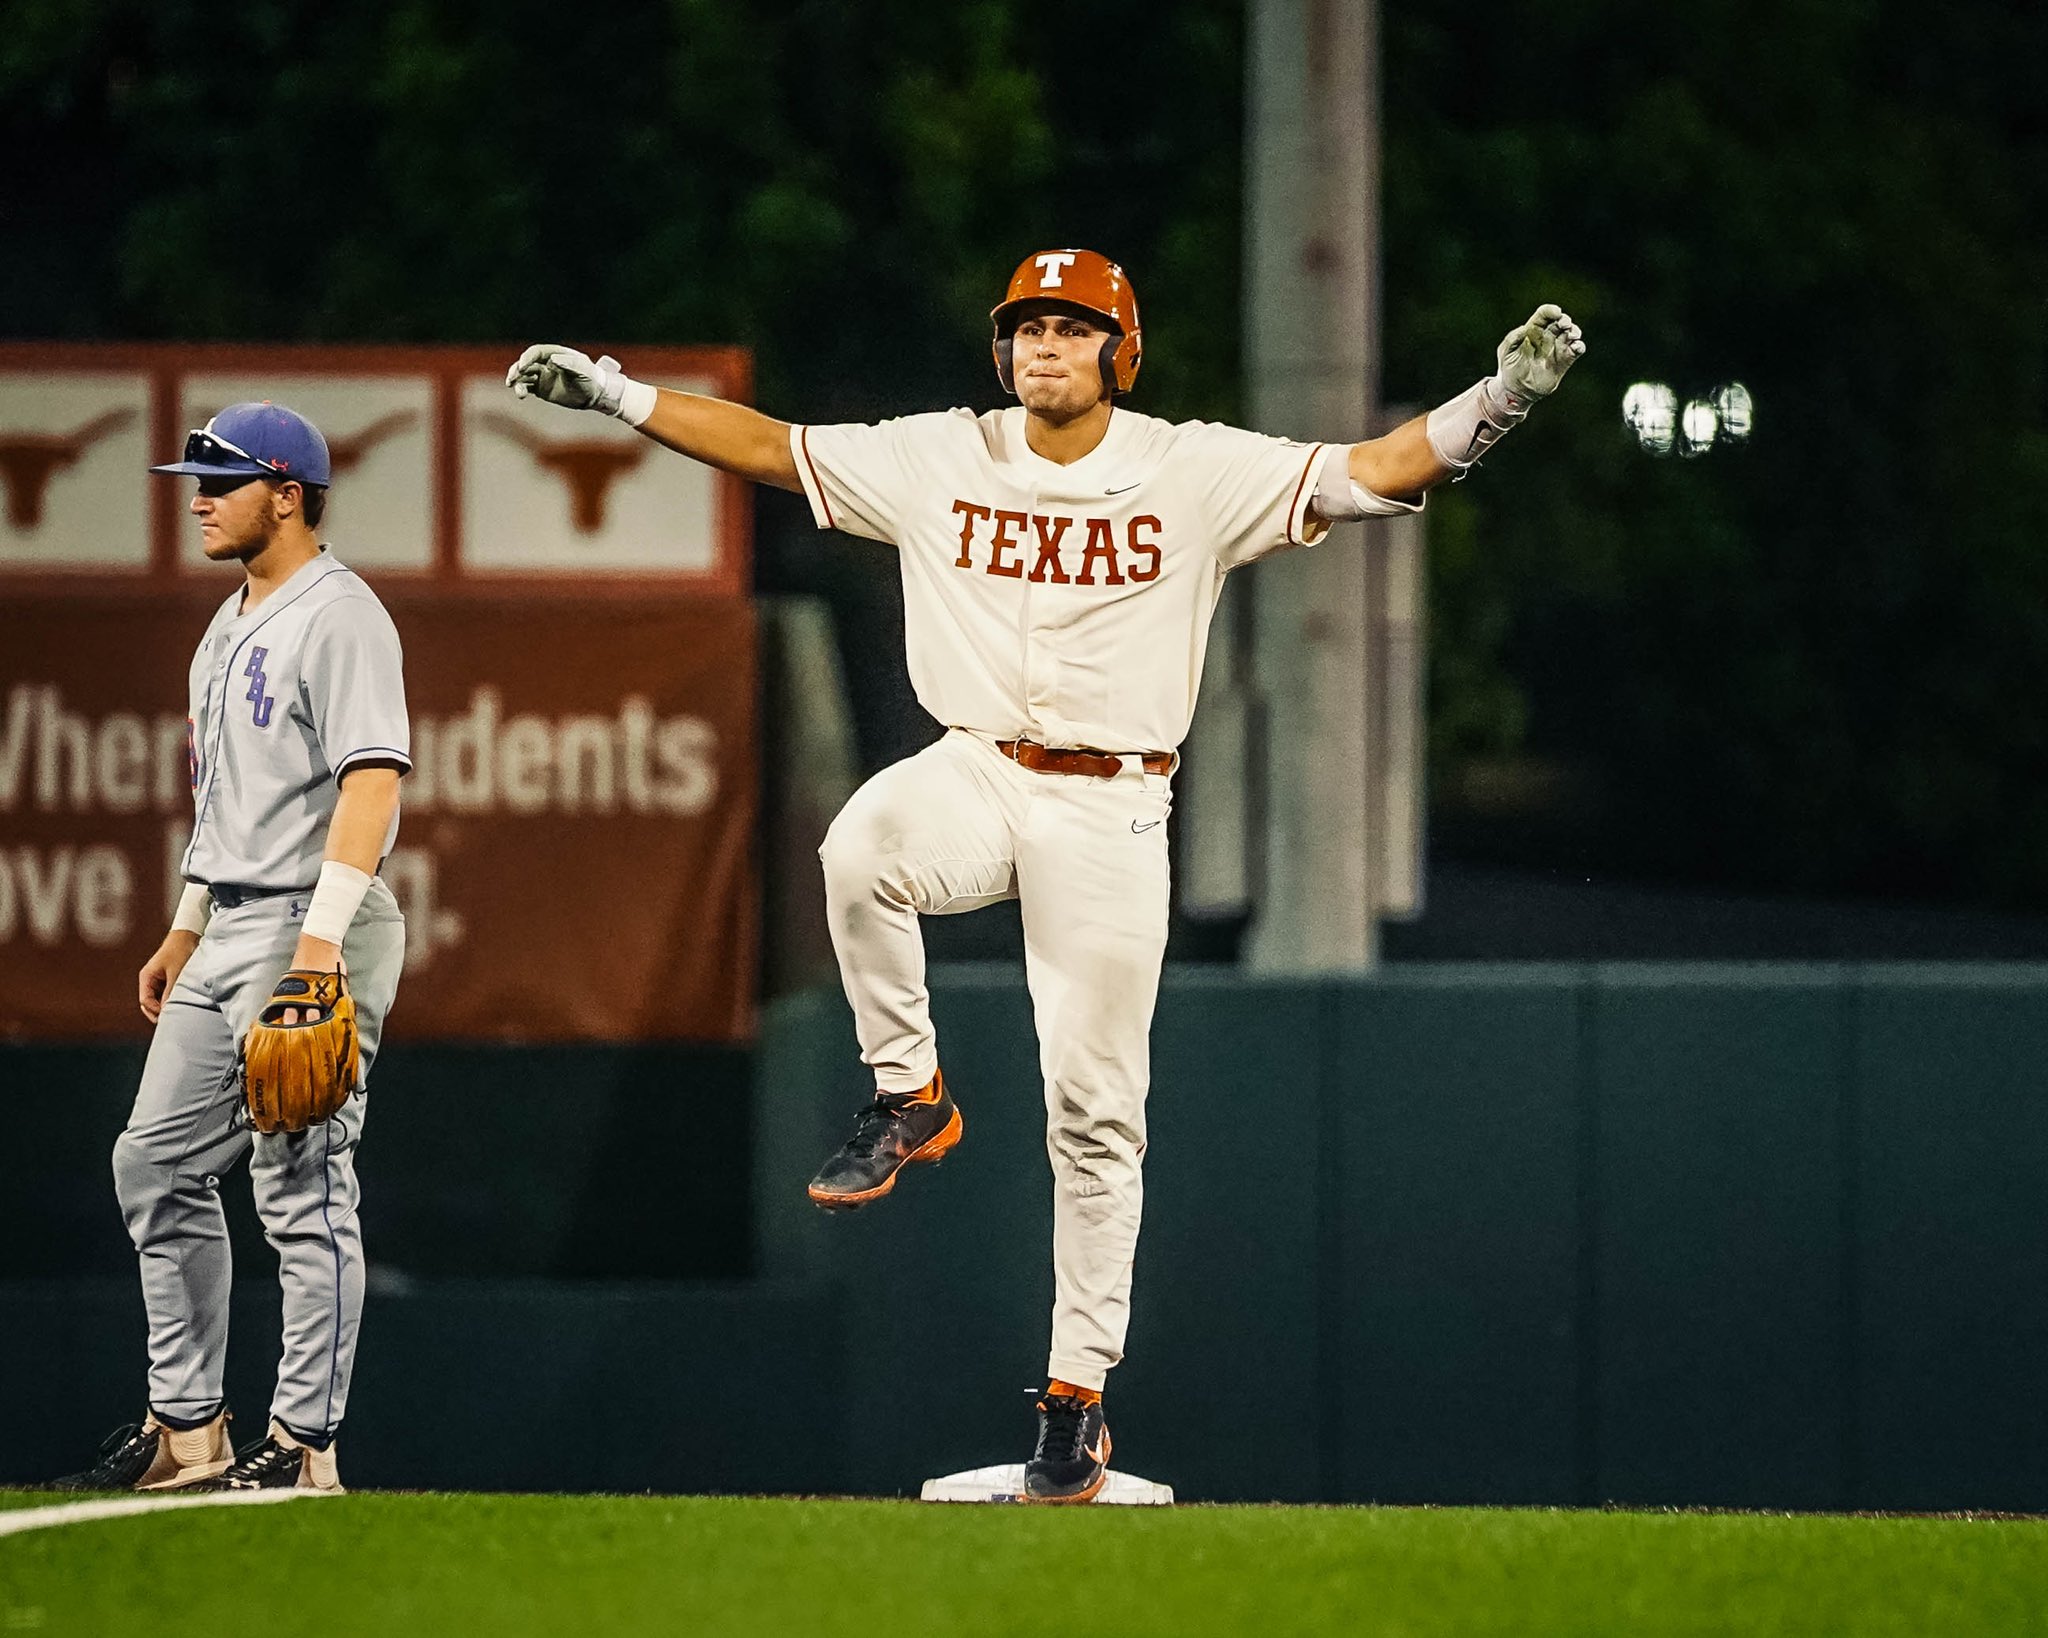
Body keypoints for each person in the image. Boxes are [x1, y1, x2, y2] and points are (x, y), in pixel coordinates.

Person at [506, 251, 1583, 1502]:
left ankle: (1074, 1404)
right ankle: (909, 1091)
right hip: (977, 766)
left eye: (1073, 331)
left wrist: (1496, 401)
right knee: (858, 845)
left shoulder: (1190, 469)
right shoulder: (937, 455)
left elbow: (1373, 472)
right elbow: (769, 446)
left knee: (1094, 1113)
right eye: (1026, 329)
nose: (1043, 350)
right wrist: (619, 398)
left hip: (1112, 805)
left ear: (1120, 355)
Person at [50, 402, 411, 1494]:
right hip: (231, 922)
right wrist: (183, 925)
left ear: (288, 491)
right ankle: (189, 1431)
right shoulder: (228, 620)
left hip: (312, 919)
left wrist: (316, 949)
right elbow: (226, 803)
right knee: (153, 1162)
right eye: (193, 477)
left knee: (301, 1185)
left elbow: (373, 783)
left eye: (220, 478)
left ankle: (305, 1446)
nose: (196, 497)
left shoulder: (341, 614)